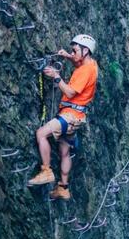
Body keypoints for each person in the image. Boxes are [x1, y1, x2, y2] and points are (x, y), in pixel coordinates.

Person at [27, 34, 98, 200]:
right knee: (64, 151)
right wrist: (68, 56)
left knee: (41, 134)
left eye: (75, 50)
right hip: (78, 117)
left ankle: (46, 171)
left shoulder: (86, 71)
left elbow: (70, 92)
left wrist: (56, 76)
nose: (73, 54)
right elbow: (79, 62)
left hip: (70, 116)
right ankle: (63, 188)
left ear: (85, 51)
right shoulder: (91, 64)